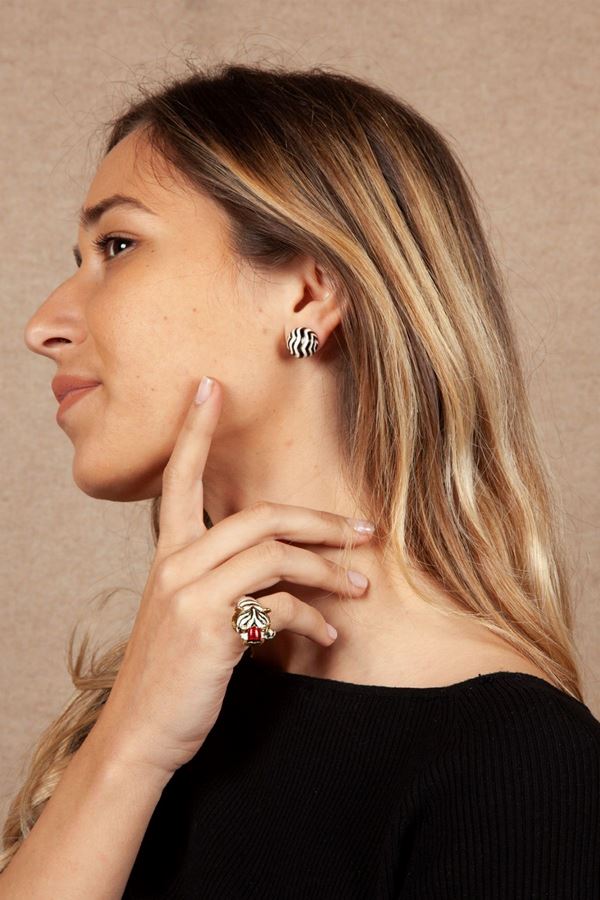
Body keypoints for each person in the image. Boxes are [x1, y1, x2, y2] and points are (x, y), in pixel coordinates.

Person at [2, 62, 598, 897]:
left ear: (310, 297)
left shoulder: (518, 766)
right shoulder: (167, 692)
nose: (43, 326)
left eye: (118, 246)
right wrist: (127, 743)